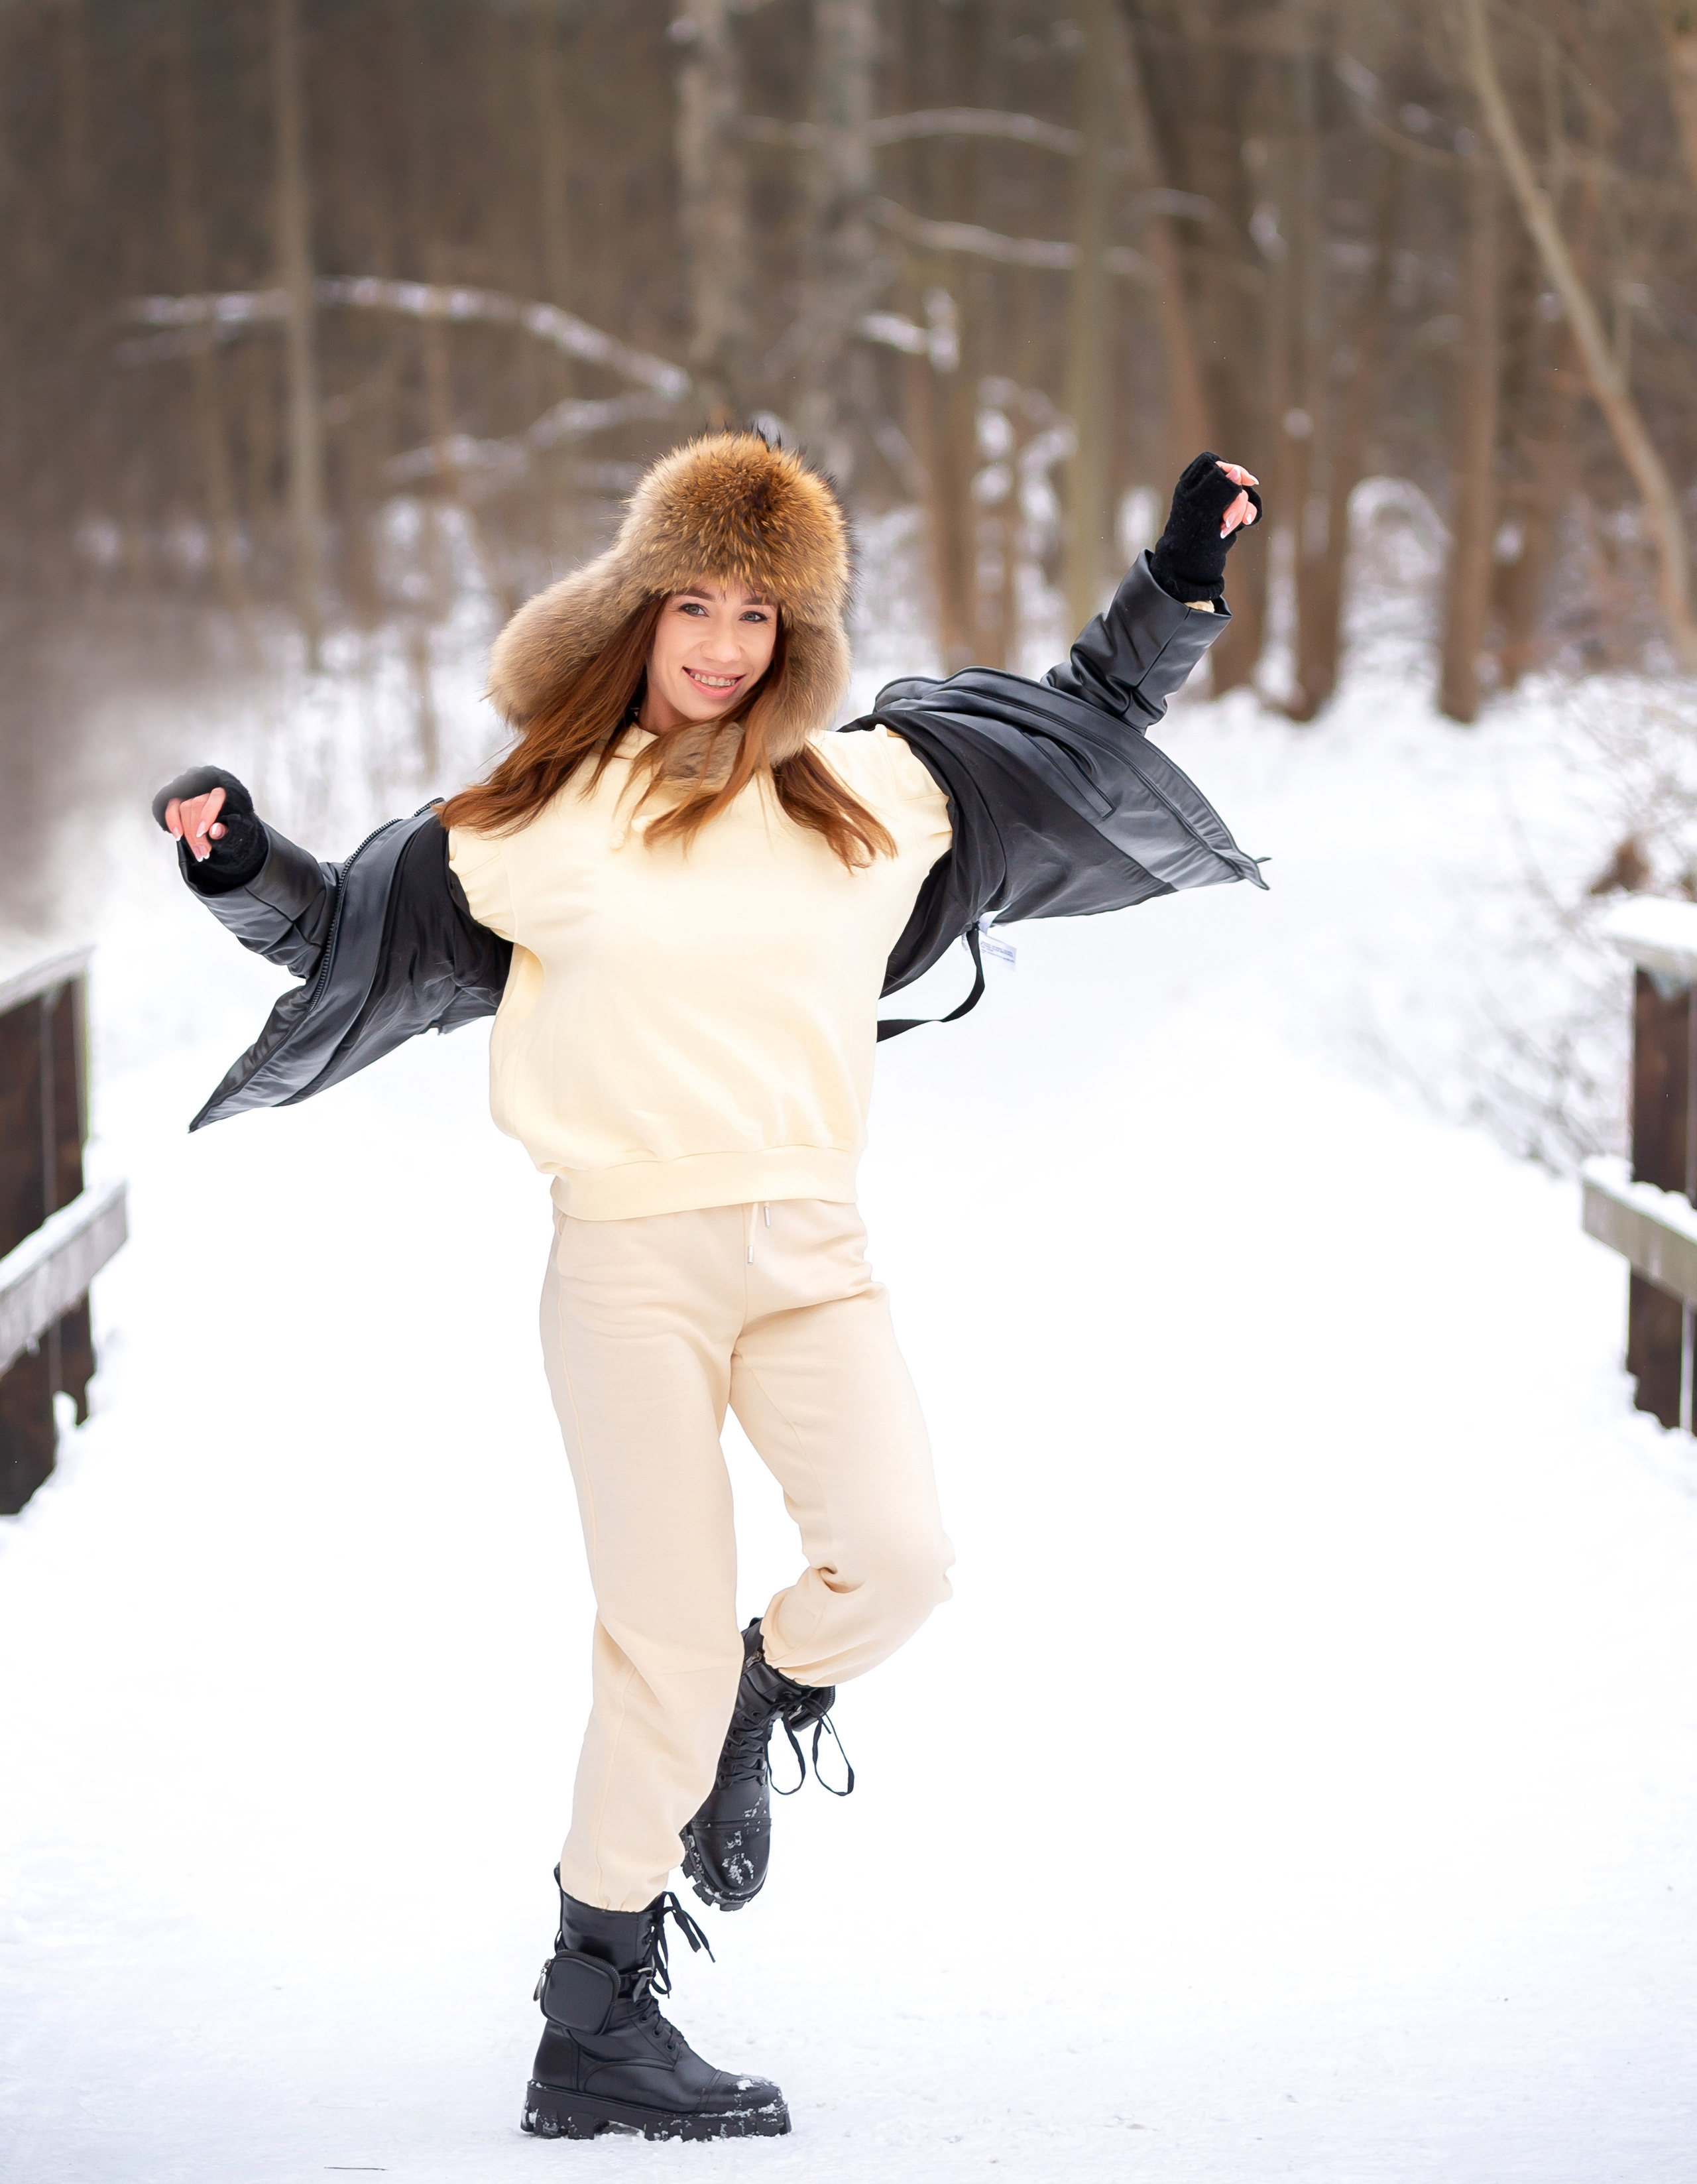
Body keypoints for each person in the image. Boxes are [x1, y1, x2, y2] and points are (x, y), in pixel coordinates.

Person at [155, 432, 1262, 2144]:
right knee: (649, 1654)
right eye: (696, 602)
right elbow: (344, 935)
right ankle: (592, 2017)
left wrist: (1179, 574)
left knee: (899, 1562)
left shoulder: (878, 792)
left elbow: (1093, 711)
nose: (726, 642)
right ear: (636, 610)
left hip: (813, 1252)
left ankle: (775, 1690)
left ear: (798, 633)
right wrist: (241, 869)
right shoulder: (539, 818)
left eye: (762, 611)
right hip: (626, 1267)